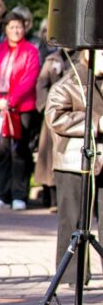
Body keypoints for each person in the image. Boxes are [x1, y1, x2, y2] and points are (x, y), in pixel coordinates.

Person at [46, 52, 103, 285]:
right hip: (74, 162)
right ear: (88, 55)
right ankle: (74, 276)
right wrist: (95, 123)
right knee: (74, 220)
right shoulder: (68, 83)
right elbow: (55, 117)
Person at [0, 12, 41, 210]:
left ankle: (19, 195)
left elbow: (29, 78)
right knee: (1, 151)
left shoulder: (31, 51)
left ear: (24, 28)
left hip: (20, 107)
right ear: (5, 29)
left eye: (19, 27)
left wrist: (12, 100)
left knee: (19, 151)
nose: (15, 31)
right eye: (11, 27)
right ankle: (0, 194)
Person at [34, 48, 70, 210]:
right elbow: (42, 85)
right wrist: (47, 107)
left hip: (74, 114)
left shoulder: (82, 58)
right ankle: (52, 199)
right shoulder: (52, 59)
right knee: (49, 159)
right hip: (53, 115)